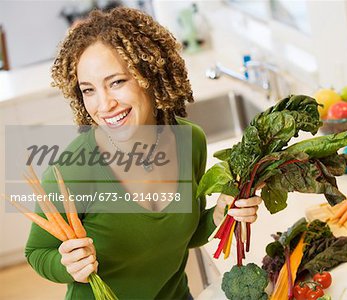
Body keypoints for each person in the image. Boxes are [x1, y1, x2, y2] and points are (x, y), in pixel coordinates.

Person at [25, 7, 262, 300]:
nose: (103, 105)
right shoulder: (72, 172)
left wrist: (219, 214)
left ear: (151, 76)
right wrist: (66, 265)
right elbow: (37, 252)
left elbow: (186, 235)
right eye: (88, 90)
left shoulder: (190, 142)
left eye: (116, 82)